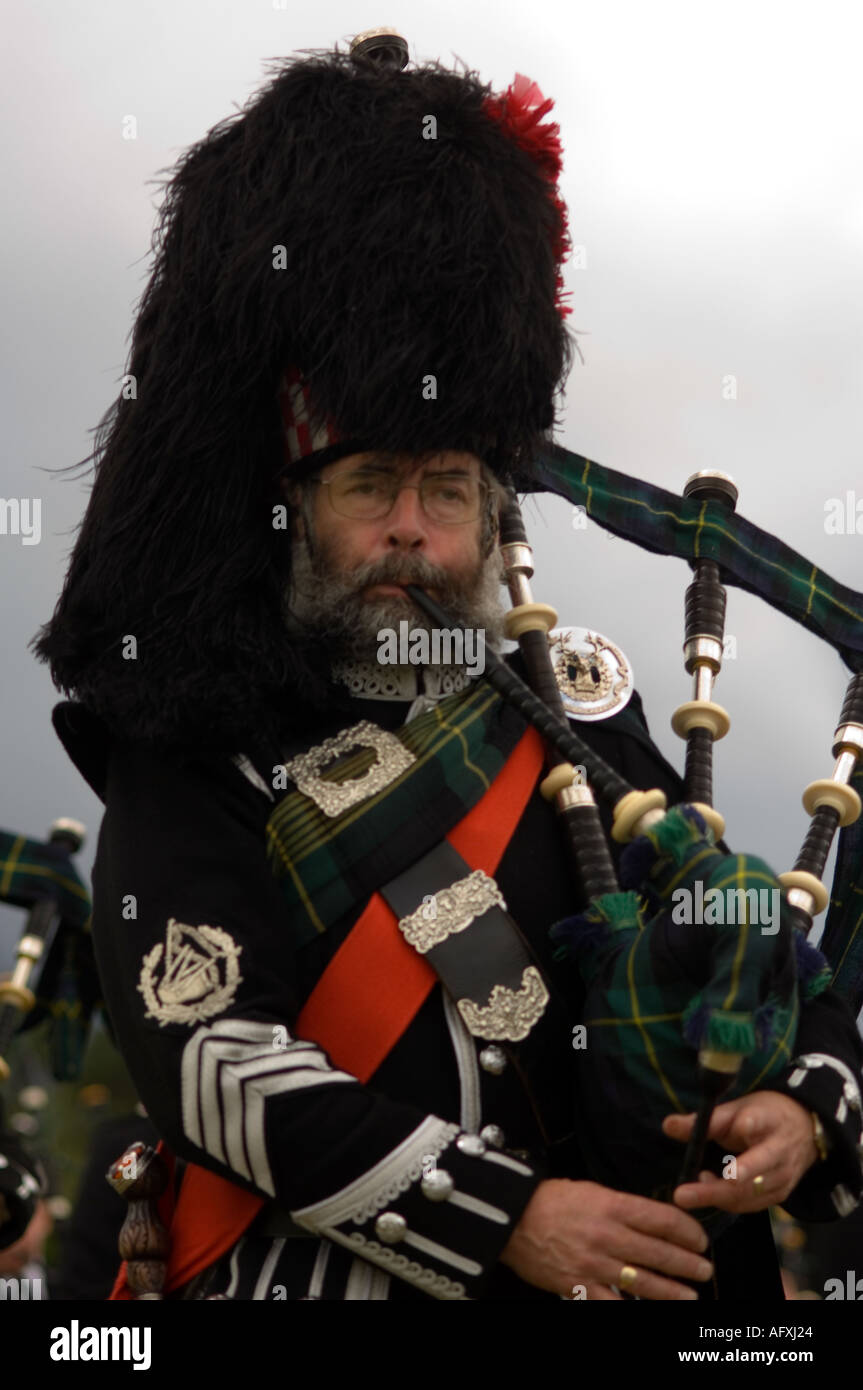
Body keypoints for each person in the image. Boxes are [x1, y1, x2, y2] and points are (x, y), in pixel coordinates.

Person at [31, 36, 863, 1302]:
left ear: (491, 518)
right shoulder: (194, 739)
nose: (411, 529)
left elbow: (725, 935)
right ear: (294, 507)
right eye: (371, 485)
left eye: (447, 490)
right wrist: (505, 1217)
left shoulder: (579, 710)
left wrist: (803, 1101)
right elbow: (205, 1052)